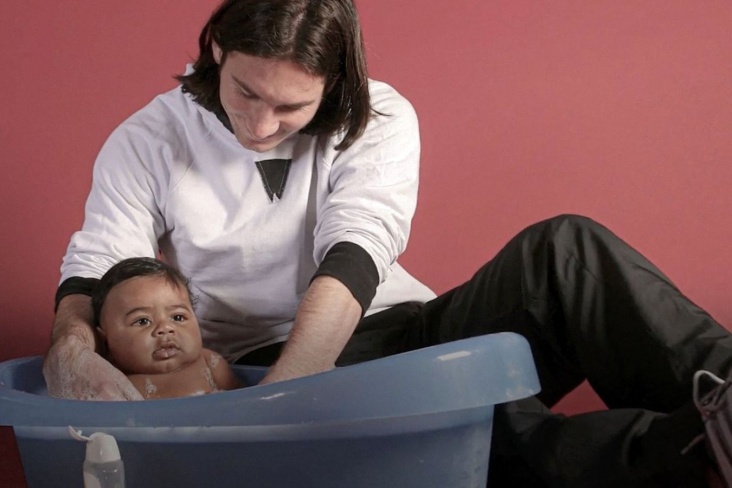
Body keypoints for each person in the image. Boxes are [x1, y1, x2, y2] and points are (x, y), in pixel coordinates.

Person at [41, 0, 731, 486]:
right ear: (217, 48)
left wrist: (282, 408)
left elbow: (357, 248)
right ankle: (693, 454)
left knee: (565, 250)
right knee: (465, 423)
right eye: (246, 93)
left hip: (393, 327)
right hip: (265, 363)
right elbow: (100, 265)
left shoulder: (381, 113)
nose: (261, 125)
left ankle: (726, 398)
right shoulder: (149, 138)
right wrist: (71, 350)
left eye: (291, 107)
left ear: (334, 85)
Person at [93, 257, 242, 399]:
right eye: (143, 321)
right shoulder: (108, 381)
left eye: (178, 317)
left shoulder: (211, 365)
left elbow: (242, 404)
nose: (165, 328)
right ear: (105, 338)